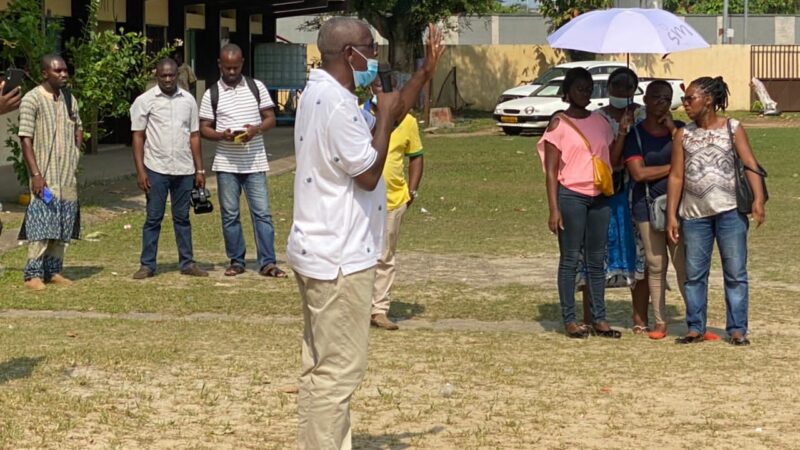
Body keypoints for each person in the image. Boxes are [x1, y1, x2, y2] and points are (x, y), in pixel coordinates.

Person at [287, 17, 442, 449]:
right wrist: (385, 120)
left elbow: (391, 110)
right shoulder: (336, 106)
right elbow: (371, 173)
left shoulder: (320, 92)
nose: (375, 57)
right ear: (350, 54)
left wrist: (422, 76)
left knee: (319, 367)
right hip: (339, 257)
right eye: (371, 50)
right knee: (339, 371)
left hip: (319, 247)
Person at [666, 76, 765, 346]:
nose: (685, 104)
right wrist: (671, 215)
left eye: (690, 99)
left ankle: (736, 329)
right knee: (695, 275)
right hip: (694, 214)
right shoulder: (682, 134)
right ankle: (695, 328)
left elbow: (750, 164)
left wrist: (758, 199)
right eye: (684, 99)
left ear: (708, 100)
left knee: (735, 273)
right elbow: (676, 176)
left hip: (730, 212)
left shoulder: (733, 127)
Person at [537, 67, 621, 339]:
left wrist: (624, 132)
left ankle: (599, 318)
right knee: (570, 259)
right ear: (567, 92)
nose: (584, 93)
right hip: (571, 196)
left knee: (597, 261)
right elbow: (550, 171)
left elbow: (613, 159)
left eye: (588, 89)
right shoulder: (558, 124)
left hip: (600, 197)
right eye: (578, 88)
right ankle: (570, 319)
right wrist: (553, 208)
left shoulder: (600, 122)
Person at [199, 43, 287, 278]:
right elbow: (204, 128)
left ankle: (268, 262)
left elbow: (270, 118)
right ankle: (236, 260)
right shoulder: (211, 94)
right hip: (226, 165)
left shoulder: (256, 87)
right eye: (227, 68)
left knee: (262, 214)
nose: (231, 72)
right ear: (220, 64)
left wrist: (255, 130)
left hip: (255, 163)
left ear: (242, 63)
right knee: (230, 215)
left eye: (235, 68)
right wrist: (221, 135)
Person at [130, 58, 208, 279]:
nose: (167, 79)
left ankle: (187, 262)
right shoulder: (145, 101)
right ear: (157, 76)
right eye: (163, 75)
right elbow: (138, 136)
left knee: (182, 218)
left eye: (171, 75)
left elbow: (194, 135)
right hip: (156, 168)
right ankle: (147, 265)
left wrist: (199, 170)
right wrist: (140, 171)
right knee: (153, 218)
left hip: (184, 169)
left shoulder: (189, 101)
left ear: (178, 75)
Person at [585, 67, 650, 334]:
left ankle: (640, 318)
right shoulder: (598, 118)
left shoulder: (644, 115)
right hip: (604, 190)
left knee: (639, 253)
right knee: (596, 252)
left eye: (628, 86)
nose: (622, 92)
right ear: (609, 89)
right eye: (617, 86)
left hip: (635, 191)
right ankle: (592, 315)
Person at [623, 81, 687, 340]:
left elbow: (691, 159)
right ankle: (659, 322)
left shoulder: (681, 130)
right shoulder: (635, 135)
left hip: (680, 207)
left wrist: (672, 129)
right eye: (656, 97)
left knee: (684, 265)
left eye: (667, 98)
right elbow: (638, 174)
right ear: (646, 100)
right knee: (655, 264)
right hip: (646, 207)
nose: (661, 102)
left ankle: (696, 320)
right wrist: (675, 169)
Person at [17, 54, 82, 291]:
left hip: (66, 176)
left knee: (63, 225)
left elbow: (78, 127)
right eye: (58, 71)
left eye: (65, 70)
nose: (64, 74)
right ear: (45, 73)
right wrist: (35, 174)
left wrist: (75, 153)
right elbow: (25, 138)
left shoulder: (69, 98)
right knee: (41, 223)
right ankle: (32, 274)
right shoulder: (31, 99)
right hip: (44, 176)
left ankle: (54, 270)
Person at [362, 93, 425, 331]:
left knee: (385, 256)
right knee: (358, 254)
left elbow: (416, 157)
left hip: (393, 200)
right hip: (362, 201)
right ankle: (358, 307)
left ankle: (379, 309)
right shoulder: (359, 115)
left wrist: (412, 191)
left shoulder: (407, 121)